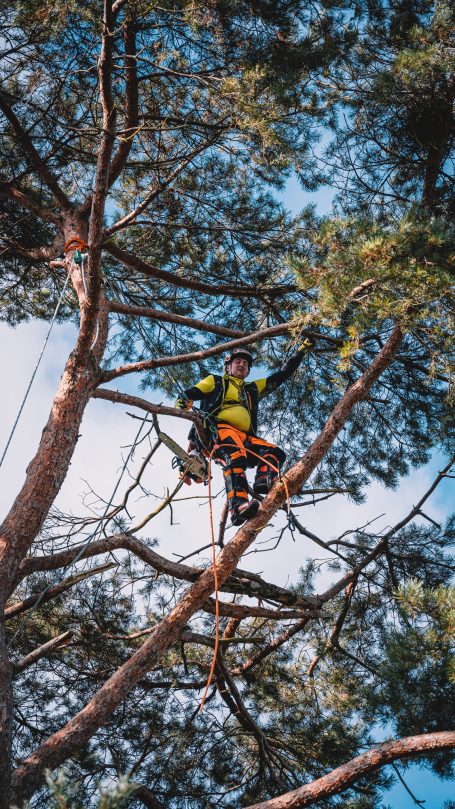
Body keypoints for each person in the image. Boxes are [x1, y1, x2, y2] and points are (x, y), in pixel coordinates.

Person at [175, 341, 311, 526]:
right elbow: (190, 393)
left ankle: (264, 479)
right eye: (238, 361)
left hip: (245, 437)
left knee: (274, 452)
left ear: (248, 371)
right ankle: (238, 507)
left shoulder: (251, 389)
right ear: (228, 365)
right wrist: (183, 403)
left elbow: (281, 375)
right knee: (235, 457)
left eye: (245, 364)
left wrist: (302, 349)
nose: (242, 365)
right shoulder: (215, 381)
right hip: (220, 430)